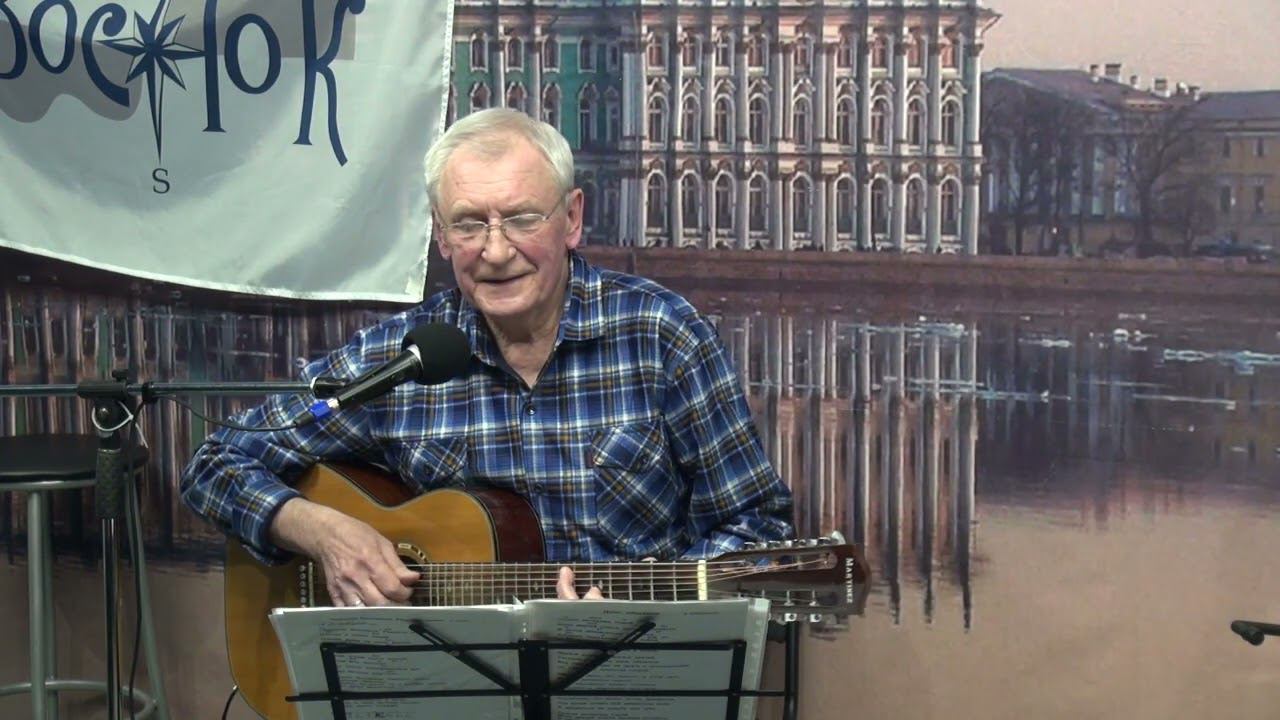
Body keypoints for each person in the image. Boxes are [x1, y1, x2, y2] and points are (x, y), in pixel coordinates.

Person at [180, 107, 793, 607]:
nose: (496, 252)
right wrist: (324, 532)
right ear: (441, 236)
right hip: (443, 681)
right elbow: (218, 462)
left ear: (571, 218)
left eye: (522, 219)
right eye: (469, 224)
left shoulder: (661, 336)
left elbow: (758, 530)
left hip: (634, 675)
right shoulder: (402, 357)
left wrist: (645, 610)